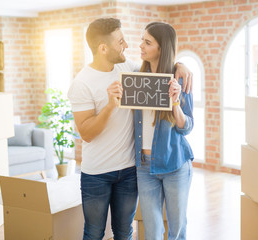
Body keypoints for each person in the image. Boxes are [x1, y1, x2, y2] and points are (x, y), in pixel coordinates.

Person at [67, 18, 192, 240]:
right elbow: (85, 133)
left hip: (136, 168)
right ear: (103, 48)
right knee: (96, 231)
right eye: (121, 41)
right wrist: (110, 105)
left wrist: (179, 65)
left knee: (128, 232)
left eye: (145, 42)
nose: (129, 46)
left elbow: (162, 66)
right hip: (113, 171)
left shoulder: (133, 69)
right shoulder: (85, 82)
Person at [134, 22, 194, 240]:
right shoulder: (135, 77)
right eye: (142, 40)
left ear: (161, 48)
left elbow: (187, 126)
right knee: (152, 230)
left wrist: (175, 103)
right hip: (144, 167)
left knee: (177, 228)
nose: (141, 45)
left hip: (175, 163)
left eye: (147, 42)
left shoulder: (179, 79)